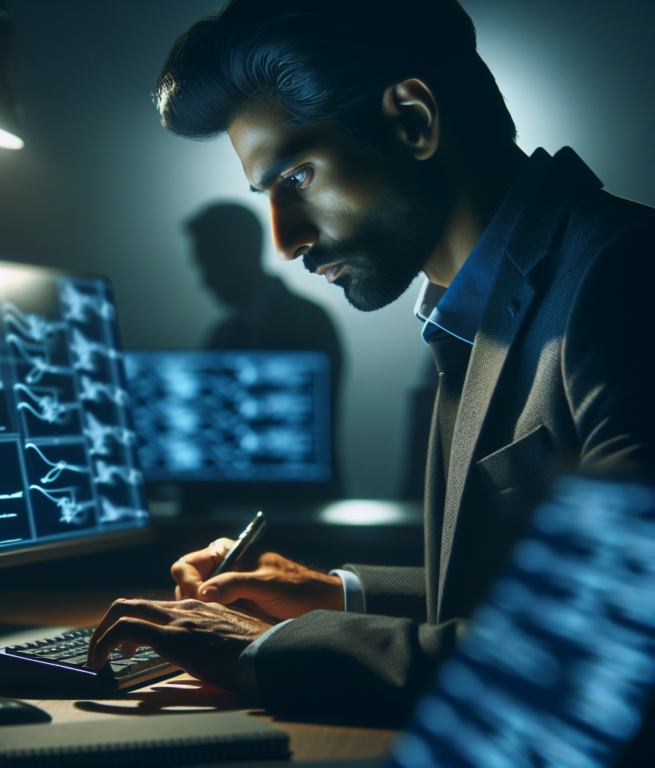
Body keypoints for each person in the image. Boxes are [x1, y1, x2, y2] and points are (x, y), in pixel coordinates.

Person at [87, 0, 654, 723]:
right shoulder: (486, 312)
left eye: (295, 178)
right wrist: (335, 596)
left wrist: (265, 649)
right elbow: (521, 590)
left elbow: (602, 647)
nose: (285, 240)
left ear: (412, 119)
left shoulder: (627, 280)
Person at [185, 202, 344, 501]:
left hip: (302, 510)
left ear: (247, 251)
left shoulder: (307, 322)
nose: (205, 280)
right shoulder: (223, 334)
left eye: (211, 263)